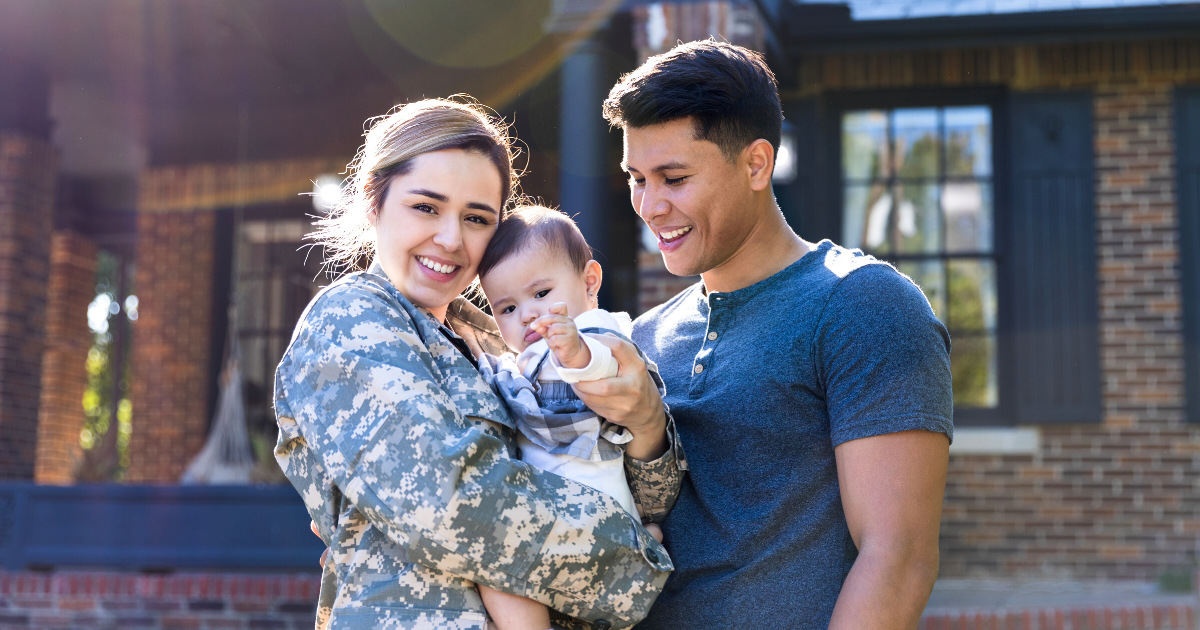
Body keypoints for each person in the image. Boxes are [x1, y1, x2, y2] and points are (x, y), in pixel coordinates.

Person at [273, 98, 685, 630]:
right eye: (425, 207)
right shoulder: (351, 320)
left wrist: (648, 423)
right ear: (374, 202)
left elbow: (650, 498)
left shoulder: (502, 341)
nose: (450, 238)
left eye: (476, 218)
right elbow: (449, 506)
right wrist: (631, 559)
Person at [602, 40, 954, 629]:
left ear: (756, 164)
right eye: (637, 178)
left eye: (674, 177)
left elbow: (899, 558)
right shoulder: (647, 336)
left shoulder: (862, 304)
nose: (650, 205)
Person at [472, 206, 668, 630]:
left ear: (589, 281)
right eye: (506, 308)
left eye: (540, 294)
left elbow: (605, 365)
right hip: (554, 519)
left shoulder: (592, 328)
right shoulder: (519, 363)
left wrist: (574, 351)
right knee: (499, 576)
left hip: (592, 508)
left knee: (497, 566)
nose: (527, 314)